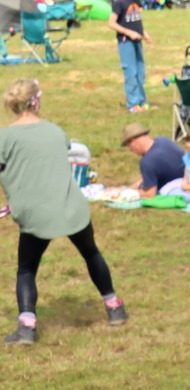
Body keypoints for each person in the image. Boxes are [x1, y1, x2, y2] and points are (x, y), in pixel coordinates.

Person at [0, 79, 126, 341]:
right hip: (70, 206)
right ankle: (114, 308)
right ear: (36, 101)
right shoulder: (56, 132)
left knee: (26, 269)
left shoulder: (4, 137)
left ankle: (26, 328)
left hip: (34, 213)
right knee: (91, 253)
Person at [109, 0, 151, 112]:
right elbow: (111, 23)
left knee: (140, 72)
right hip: (126, 42)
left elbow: (136, 21)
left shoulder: (136, 0)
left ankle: (141, 102)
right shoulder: (119, 3)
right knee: (131, 72)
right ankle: (132, 104)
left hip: (138, 41)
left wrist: (144, 33)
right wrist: (128, 33)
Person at [121, 122, 186, 197]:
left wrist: (130, 193)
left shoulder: (147, 161)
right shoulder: (164, 140)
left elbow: (150, 194)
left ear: (134, 141)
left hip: (178, 190)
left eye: (129, 146)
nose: (130, 150)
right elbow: (148, 176)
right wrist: (129, 188)